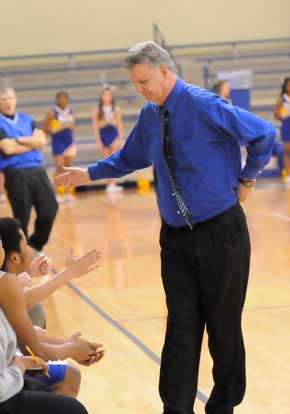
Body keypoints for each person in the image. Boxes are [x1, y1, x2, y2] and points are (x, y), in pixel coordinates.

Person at [55, 41, 276, 414]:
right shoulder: (149, 115)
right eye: (135, 84)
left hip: (222, 234)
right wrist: (88, 173)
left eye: (144, 81)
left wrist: (248, 178)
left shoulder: (204, 104)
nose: (141, 89)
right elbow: (129, 157)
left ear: (164, 71)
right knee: (180, 327)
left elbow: (264, 134)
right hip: (175, 239)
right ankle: (175, 407)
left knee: (223, 327)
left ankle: (223, 406)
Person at [0, 87, 58, 255]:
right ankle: (20, 253)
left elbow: (41, 141)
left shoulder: (27, 119)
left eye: (10, 98)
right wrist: (30, 142)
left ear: (15, 99)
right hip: (15, 173)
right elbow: (7, 148)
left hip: (38, 171)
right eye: (3, 99)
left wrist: (18, 140)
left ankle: (35, 246)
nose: (7, 102)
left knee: (50, 209)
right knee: (21, 217)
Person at [42, 91, 76, 202]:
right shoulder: (52, 112)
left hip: (69, 142)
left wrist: (69, 125)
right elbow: (45, 129)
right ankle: (57, 193)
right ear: (57, 100)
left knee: (68, 167)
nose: (63, 100)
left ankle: (67, 192)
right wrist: (58, 127)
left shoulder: (70, 111)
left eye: (64, 98)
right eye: (60, 98)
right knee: (59, 167)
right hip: (57, 142)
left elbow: (73, 126)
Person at [92, 85, 125, 193]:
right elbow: (95, 126)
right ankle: (109, 184)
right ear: (101, 96)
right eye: (105, 95)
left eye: (109, 95)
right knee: (106, 160)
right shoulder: (97, 110)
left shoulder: (116, 108)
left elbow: (119, 124)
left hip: (113, 134)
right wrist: (98, 141)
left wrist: (121, 138)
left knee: (114, 159)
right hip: (103, 134)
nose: (107, 97)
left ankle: (113, 183)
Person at [274, 77, 290, 184]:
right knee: (288, 151)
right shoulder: (282, 99)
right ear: (285, 86)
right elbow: (276, 115)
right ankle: (288, 174)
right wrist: (283, 115)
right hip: (287, 125)